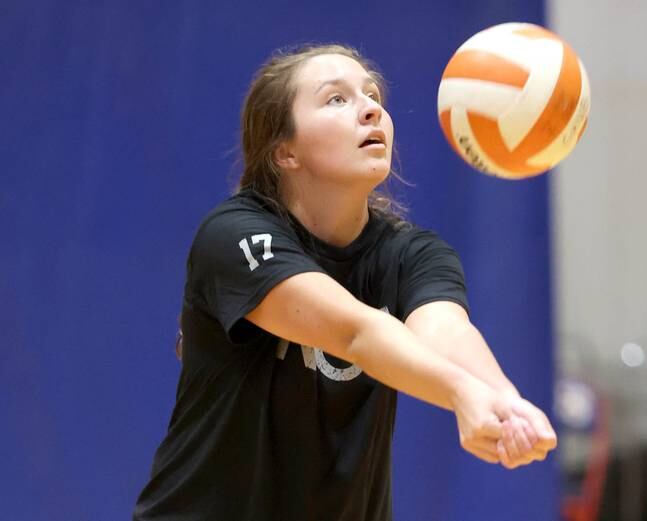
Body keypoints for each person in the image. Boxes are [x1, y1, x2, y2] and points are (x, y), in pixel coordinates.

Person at [133, 43, 557, 521]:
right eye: (336, 99)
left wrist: (503, 401)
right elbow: (355, 332)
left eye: (373, 94)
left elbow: (444, 331)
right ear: (285, 151)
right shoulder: (234, 237)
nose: (372, 108)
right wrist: (462, 394)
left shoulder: (411, 252)